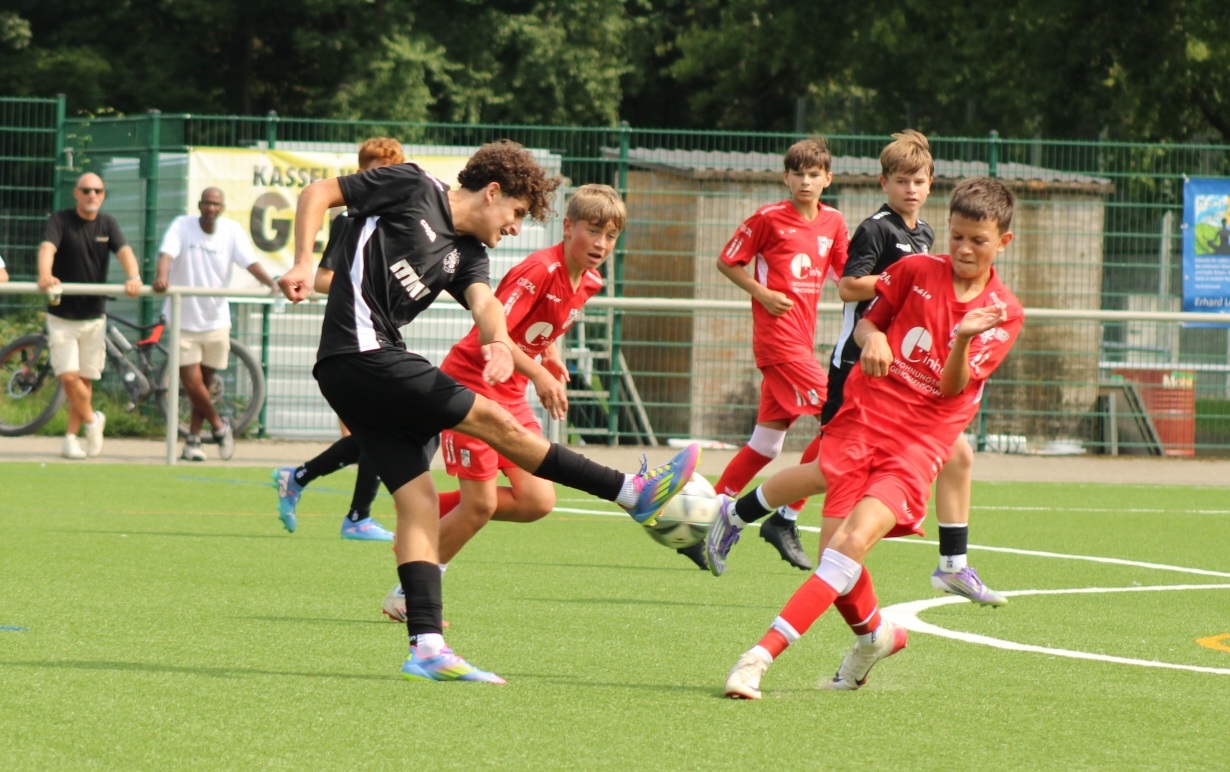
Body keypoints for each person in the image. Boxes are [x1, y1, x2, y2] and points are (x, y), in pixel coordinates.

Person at [278, 140, 700, 684]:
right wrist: (303, 261)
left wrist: (500, 341)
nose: (517, 228)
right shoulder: (413, 185)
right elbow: (318, 192)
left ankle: (427, 648)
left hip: (356, 369)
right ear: (492, 193)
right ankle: (630, 492)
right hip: (362, 354)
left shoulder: (468, 253)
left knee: (419, 504)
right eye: (517, 213)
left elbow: (485, 302)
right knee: (496, 424)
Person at [708, 177, 1024, 699]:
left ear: (1003, 242)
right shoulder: (915, 270)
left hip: (919, 443)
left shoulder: (1002, 311)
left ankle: (756, 658)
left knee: (850, 545)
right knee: (835, 556)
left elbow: (953, 388)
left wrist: (963, 338)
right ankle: (876, 637)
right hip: (866, 413)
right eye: (957, 236)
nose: (965, 249)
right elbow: (868, 323)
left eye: (979, 241)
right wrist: (874, 338)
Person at [710, 137, 848, 571]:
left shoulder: (834, 223)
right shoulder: (768, 218)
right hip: (778, 341)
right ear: (785, 177)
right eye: (798, 174)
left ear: (827, 179)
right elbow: (727, 261)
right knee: (841, 417)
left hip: (802, 341)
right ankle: (785, 517)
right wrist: (762, 293)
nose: (806, 182)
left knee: (766, 444)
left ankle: (707, 518)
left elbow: (847, 278)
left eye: (814, 175)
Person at [273, 137, 406, 541]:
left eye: (389, 173)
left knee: (377, 433)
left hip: (381, 335)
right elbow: (324, 279)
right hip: (353, 337)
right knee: (384, 429)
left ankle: (300, 479)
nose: (380, 181)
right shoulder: (350, 220)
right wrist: (367, 288)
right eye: (374, 172)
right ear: (360, 173)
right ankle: (354, 515)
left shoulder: (398, 222)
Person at [153, 187, 275, 461]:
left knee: (205, 385)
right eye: (207, 203)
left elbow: (250, 262)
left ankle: (193, 441)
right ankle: (220, 427)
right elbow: (166, 255)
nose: (211, 208)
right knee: (192, 383)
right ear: (199, 205)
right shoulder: (182, 225)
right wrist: (162, 277)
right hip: (183, 319)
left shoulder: (231, 230)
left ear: (222, 208)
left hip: (216, 320)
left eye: (216, 204)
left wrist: (272, 283)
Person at [37, 172, 143, 459]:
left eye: (97, 190)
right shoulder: (60, 220)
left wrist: (134, 277)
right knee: (68, 377)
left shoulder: (108, 223)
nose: (91, 195)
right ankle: (93, 421)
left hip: (94, 316)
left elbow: (124, 252)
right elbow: (47, 248)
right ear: (76, 193)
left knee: (84, 380)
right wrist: (45, 274)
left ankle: (71, 439)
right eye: (86, 190)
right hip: (62, 315)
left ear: (103, 194)